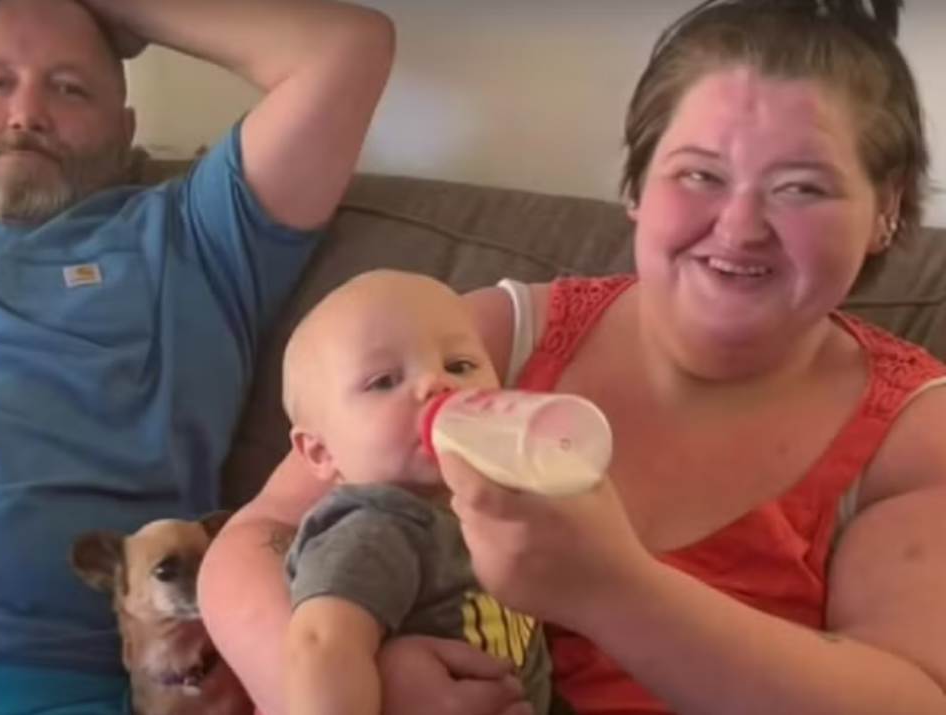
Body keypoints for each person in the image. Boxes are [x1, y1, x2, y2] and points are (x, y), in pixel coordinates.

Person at [200, 1, 946, 714]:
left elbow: (912, 697)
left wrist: (613, 591)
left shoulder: (913, 429)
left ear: (887, 209)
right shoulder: (475, 344)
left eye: (801, 187)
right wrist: (355, 689)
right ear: (635, 187)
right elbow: (251, 543)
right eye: (699, 174)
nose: (740, 225)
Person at [0, 0, 393, 712]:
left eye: (69, 88)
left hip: (43, 686)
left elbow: (350, 48)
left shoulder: (195, 241)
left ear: (125, 129)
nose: (26, 113)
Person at [280, 270, 572, 715]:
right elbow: (320, 646)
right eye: (383, 381)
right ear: (320, 452)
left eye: (460, 366)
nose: (437, 384)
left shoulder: (496, 500)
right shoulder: (376, 527)